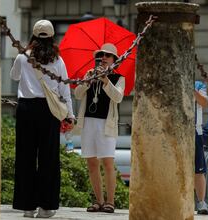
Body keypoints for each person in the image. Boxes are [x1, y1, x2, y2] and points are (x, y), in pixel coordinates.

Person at [10, 19, 75, 218]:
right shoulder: (58, 60)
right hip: (49, 111)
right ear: (53, 36)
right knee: (49, 158)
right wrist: (69, 115)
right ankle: (46, 207)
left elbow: (14, 77)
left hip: (27, 109)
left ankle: (27, 206)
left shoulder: (23, 57)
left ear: (34, 36)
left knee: (25, 156)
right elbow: (64, 89)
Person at [74, 43, 125, 214]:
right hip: (88, 122)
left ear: (114, 60)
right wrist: (87, 81)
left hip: (106, 125)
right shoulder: (89, 74)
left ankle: (110, 201)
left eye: (107, 56)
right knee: (92, 163)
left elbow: (118, 97)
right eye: (101, 55)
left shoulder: (119, 78)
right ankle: (98, 201)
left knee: (108, 163)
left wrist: (105, 81)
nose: (103, 58)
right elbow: (77, 94)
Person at [194, 81, 208, 215]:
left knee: (199, 170)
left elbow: (204, 103)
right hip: (174, 130)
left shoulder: (199, 85)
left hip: (195, 131)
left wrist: (191, 89)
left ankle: (201, 202)